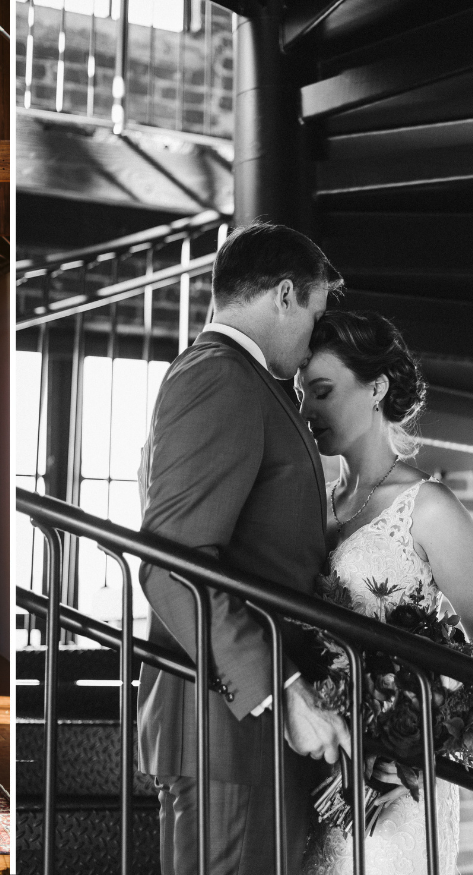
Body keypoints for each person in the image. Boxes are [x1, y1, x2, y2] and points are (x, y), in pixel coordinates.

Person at [137, 222, 352, 875]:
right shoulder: (217, 377)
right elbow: (172, 562)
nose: (314, 337)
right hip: (223, 727)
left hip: (240, 726)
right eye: (314, 315)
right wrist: (282, 688)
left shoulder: (247, 381)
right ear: (284, 294)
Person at [297, 310, 473, 875]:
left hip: (398, 791)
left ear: (377, 388)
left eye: (321, 391)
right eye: (301, 394)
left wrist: (418, 756)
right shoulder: (310, 501)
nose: (307, 410)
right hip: (320, 762)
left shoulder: (431, 509)